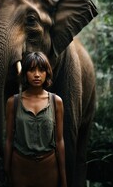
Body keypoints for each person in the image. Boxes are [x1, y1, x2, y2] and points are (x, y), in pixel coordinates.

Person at [4, 51, 67, 187]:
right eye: (32, 70)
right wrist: (7, 170)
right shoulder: (13, 102)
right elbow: (9, 139)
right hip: (20, 167)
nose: (37, 74)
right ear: (25, 73)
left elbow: (59, 140)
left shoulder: (56, 101)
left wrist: (63, 177)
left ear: (47, 73)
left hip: (49, 168)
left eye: (42, 70)